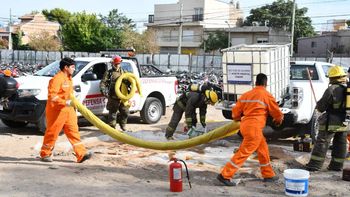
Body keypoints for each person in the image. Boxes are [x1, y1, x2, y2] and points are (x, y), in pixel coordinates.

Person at [217, 73, 283, 186]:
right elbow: (276, 112)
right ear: (265, 83)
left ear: (255, 82)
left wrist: (238, 118)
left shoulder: (246, 95)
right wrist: (279, 120)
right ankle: (225, 175)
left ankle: (268, 174)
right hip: (255, 128)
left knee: (263, 149)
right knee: (244, 152)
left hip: (245, 125)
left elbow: (235, 113)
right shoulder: (266, 95)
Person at [40, 57, 92, 163]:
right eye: (72, 67)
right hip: (57, 111)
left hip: (68, 110)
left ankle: (81, 154)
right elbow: (52, 97)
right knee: (52, 132)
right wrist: (65, 102)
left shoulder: (69, 78)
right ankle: (45, 154)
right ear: (66, 67)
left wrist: (74, 102)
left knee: (74, 132)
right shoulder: (57, 79)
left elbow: (69, 94)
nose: (74, 69)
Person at [305, 66, 348, 171]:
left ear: (332, 78)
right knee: (340, 144)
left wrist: (318, 106)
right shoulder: (347, 89)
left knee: (322, 142)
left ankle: (314, 165)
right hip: (345, 123)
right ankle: (336, 166)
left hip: (331, 122)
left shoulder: (331, 89)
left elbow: (321, 107)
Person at [100, 55, 130, 131]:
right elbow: (103, 83)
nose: (117, 65)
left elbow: (130, 82)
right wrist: (103, 91)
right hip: (113, 97)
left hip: (123, 97)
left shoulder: (124, 72)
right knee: (112, 114)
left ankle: (123, 125)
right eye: (116, 64)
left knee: (125, 112)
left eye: (118, 64)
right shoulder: (109, 73)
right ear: (112, 64)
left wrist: (129, 83)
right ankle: (112, 129)